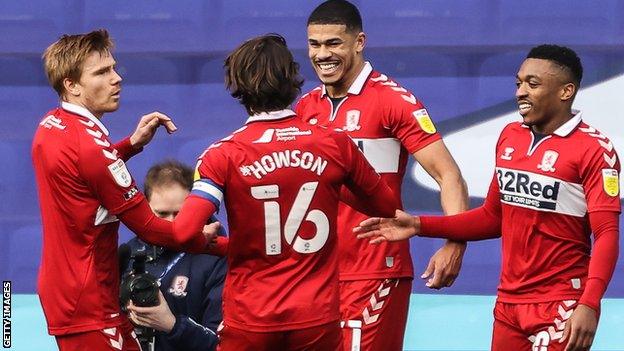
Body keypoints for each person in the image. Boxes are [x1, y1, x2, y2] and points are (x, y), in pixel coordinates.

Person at [355, 44, 621, 351]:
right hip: (508, 304)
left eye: (533, 84)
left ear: (566, 91)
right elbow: (493, 217)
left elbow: (606, 234)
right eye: (519, 83)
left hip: (560, 303)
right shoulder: (511, 136)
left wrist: (589, 303)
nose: (521, 92)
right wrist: (418, 224)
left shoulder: (594, 150)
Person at [186, 34, 400, 350]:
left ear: (237, 85)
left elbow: (182, 233)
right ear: (292, 78)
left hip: (251, 317)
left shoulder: (222, 154)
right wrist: (328, 183)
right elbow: (385, 204)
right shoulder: (334, 143)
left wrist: (213, 244)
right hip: (316, 316)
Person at [295, 1, 469, 349]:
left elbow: (449, 175)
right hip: (315, 274)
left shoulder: (393, 101)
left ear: (359, 42)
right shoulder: (305, 107)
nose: (322, 54)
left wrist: (455, 242)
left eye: (334, 43)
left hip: (374, 270)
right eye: (315, 44)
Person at [33, 29, 215, 351]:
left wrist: (130, 146)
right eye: (102, 72)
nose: (117, 79)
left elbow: (87, 173)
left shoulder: (52, 124)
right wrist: (211, 241)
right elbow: (153, 229)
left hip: (70, 290)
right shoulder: (91, 148)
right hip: (90, 302)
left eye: (114, 68)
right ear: (71, 85)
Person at [123, 160, 226, 351]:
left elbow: (223, 344)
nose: (172, 224)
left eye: (179, 213)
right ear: (146, 208)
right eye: (162, 214)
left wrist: (172, 325)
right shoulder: (128, 254)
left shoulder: (218, 258)